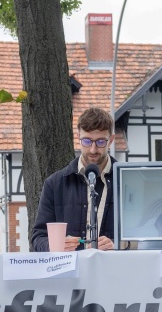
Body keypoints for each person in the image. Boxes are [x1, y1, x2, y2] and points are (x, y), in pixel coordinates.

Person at [32, 107, 116, 252]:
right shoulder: (54, 184)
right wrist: (53, 246)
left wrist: (118, 244)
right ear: (78, 138)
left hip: (112, 272)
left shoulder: (127, 181)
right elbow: (38, 237)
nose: (93, 150)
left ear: (111, 140)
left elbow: (143, 235)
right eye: (87, 141)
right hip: (70, 273)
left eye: (101, 142)